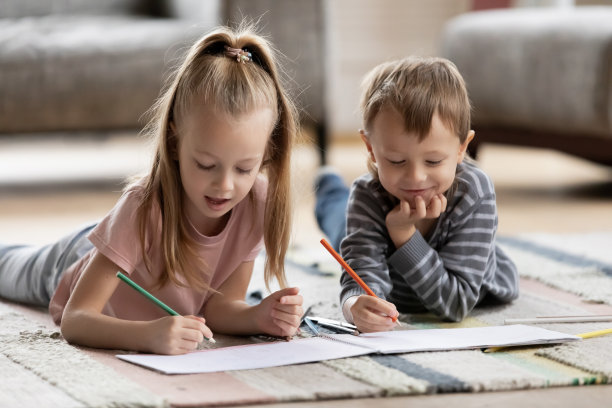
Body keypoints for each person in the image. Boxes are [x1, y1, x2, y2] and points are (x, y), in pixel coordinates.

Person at [0, 24, 303, 355]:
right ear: (174, 143)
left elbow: (221, 307)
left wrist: (258, 316)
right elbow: (77, 318)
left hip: (122, 242)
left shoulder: (257, 202)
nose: (225, 185)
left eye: (244, 169)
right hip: (73, 261)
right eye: (205, 164)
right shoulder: (143, 206)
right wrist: (148, 335)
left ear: (267, 154)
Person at [315, 56, 519, 333]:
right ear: (371, 148)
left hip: (465, 269)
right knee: (341, 227)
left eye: (433, 162)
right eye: (397, 161)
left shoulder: (474, 191)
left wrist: (404, 236)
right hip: (361, 207)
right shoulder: (367, 195)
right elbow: (360, 280)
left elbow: (456, 303)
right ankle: (329, 189)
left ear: (462, 148)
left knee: (342, 227)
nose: (415, 178)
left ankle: (332, 190)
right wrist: (355, 305)